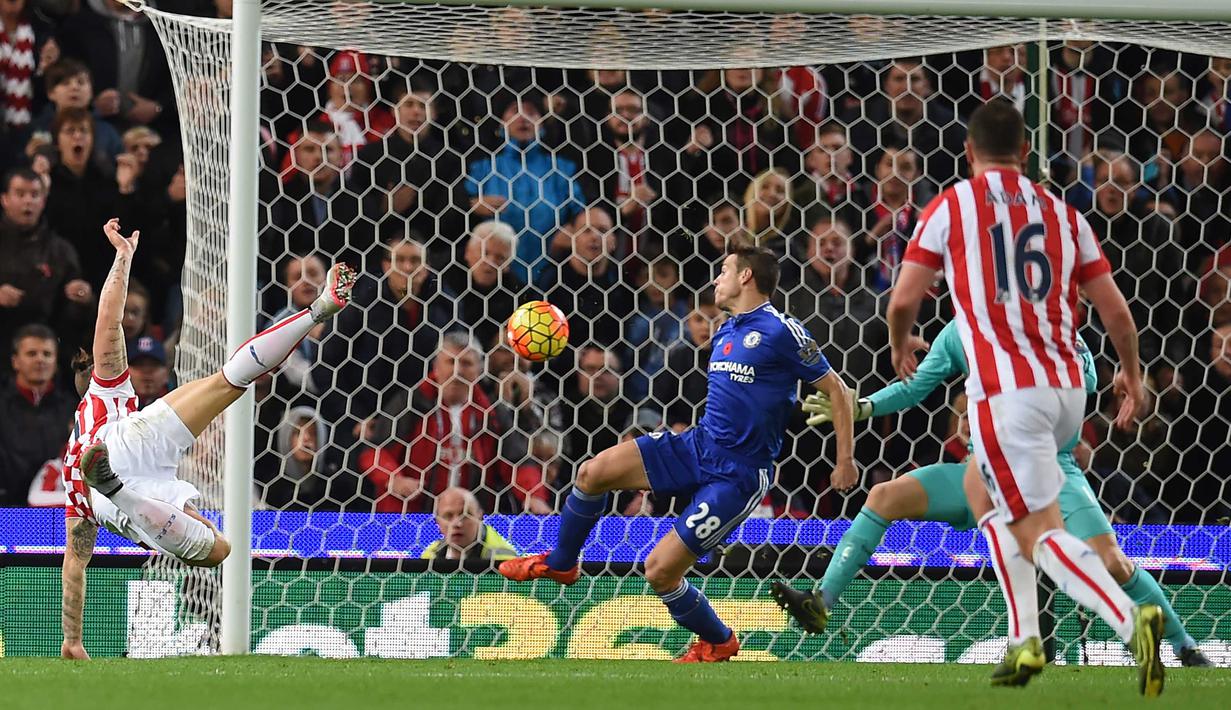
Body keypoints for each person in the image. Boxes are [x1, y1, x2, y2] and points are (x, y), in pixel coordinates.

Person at [885, 99, 1163, 694]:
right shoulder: (1063, 213)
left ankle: (1128, 617)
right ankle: (1026, 641)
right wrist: (1132, 374)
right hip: (1067, 388)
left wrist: (901, 341)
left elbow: (904, 297)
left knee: (1038, 531)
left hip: (1007, 393)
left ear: (968, 150)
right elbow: (1115, 311)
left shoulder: (953, 205)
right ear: (1026, 153)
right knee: (981, 491)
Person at [772, 321, 1212, 670]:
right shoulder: (961, 330)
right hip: (984, 473)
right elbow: (915, 387)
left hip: (1051, 471)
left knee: (1113, 564)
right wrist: (864, 406)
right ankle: (819, 604)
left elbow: (1088, 379)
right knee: (885, 495)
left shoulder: (1053, 326)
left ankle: (1185, 647)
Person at [498, 246, 856, 663]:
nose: (716, 279)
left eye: (724, 271)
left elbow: (839, 391)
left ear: (745, 277)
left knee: (661, 570)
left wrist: (844, 459)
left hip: (737, 476)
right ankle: (562, 562)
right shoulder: (724, 330)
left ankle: (720, 641)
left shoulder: (782, 330)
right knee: (592, 473)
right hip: (697, 446)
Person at [60, 218, 355, 660]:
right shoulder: (110, 393)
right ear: (99, 377)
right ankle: (316, 312)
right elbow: (108, 320)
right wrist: (122, 258)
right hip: (129, 441)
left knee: (217, 549)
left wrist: (73, 640)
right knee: (229, 379)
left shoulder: (72, 472)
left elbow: (74, 566)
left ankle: (114, 488)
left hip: (107, 488)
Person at [0, 324, 77, 504]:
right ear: (15, 361)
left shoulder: (70, 407)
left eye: (47, 354)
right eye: (31, 353)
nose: (40, 360)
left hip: (48, 510)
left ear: (56, 362)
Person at [420, 487, 519, 560]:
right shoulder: (430, 555)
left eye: (466, 515)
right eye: (448, 516)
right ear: (438, 521)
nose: (457, 523)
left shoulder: (504, 559)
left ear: (479, 517)